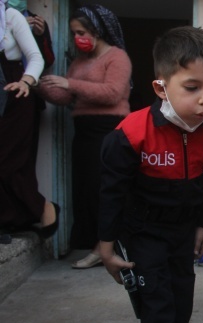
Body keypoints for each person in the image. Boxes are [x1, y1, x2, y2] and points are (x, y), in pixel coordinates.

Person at [97, 26, 203, 323]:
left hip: (183, 231)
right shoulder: (130, 134)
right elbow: (111, 193)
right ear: (160, 87)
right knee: (157, 306)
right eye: (192, 87)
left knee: (182, 302)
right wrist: (107, 247)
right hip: (144, 233)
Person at [38, 5, 131, 268]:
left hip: (109, 131)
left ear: (96, 30)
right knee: (86, 192)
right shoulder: (79, 62)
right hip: (85, 133)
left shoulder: (117, 57)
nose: (77, 37)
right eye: (74, 33)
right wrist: (36, 84)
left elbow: (112, 92)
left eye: (81, 32)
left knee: (104, 191)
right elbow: (65, 96)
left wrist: (70, 83)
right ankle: (96, 246)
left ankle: (101, 249)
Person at [0, 0, 52, 241]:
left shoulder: (10, 16)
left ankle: (40, 209)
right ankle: (13, 220)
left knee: (10, 161)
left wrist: (26, 81)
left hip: (14, 92)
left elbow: (36, 57)